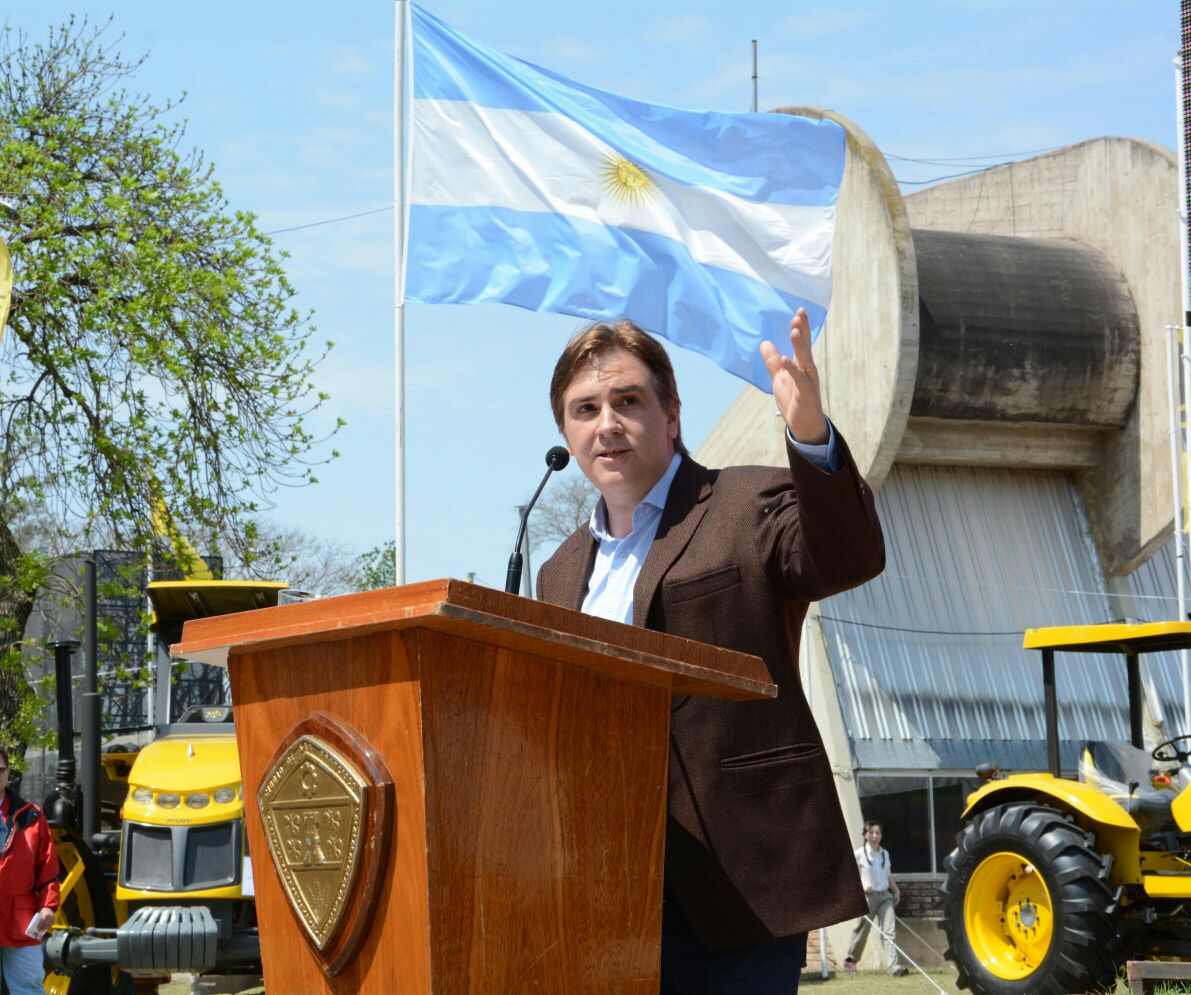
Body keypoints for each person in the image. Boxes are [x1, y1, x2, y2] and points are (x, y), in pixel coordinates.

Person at [537, 309, 885, 994]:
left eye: (628, 400)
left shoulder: (744, 501)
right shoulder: (556, 569)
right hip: (600, 887)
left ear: (671, 414)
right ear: (567, 434)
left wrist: (809, 437)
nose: (606, 422)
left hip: (739, 883)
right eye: (585, 409)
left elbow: (845, 552)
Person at [0, 745, 60, 995]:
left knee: (29, 989)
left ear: (8, 772)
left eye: (0, 770)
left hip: (22, 920)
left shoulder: (32, 816)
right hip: (20, 917)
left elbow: (48, 870)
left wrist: (48, 906)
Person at [844, 821, 908, 977]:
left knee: (889, 932)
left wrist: (896, 890)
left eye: (877, 833)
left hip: (885, 896)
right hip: (868, 897)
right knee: (862, 930)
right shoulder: (859, 854)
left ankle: (894, 967)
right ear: (865, 835)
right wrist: (864, 885)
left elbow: (887, 875)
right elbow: (851, 875)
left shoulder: (885, 854)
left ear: (881, 835)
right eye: (871, 832)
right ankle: (850, 961)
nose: (874, 836)